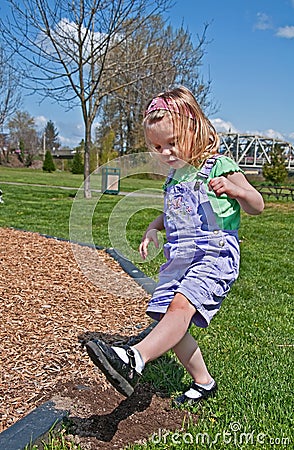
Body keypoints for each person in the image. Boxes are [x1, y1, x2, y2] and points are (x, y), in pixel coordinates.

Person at [85, 86, 264, 406]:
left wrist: (237, 192)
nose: (166, 152)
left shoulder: (219, 165)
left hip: (214, 253)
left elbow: (258, 205)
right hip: (179, 256)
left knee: (181, 307)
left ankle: (134, 359)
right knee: (172, 319)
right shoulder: (173, 177)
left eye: (172, 142)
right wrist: (153, 229)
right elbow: (173, 215)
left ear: (193, 128)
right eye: (157, 146)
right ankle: (204, 382)